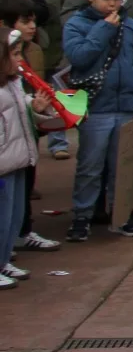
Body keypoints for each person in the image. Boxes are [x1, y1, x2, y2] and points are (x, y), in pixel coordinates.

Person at [61, 0, 133, 241]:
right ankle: (83, 215)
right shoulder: (77, 24)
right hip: (96, 107)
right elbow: (79, 56)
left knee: (123, 166)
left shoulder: (132, 27)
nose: (113, 3)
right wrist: (104, 29)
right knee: (90, 166)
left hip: (127, 106)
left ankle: (123, 213)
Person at [1, 29, 64, 288]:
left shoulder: (14, 83)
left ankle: (4, 260)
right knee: (2, 216)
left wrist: (35, 106)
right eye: (14, 55)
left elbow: (21, 111)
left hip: (17, 159)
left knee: (13, 215)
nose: (19, 60)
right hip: (3, 163)